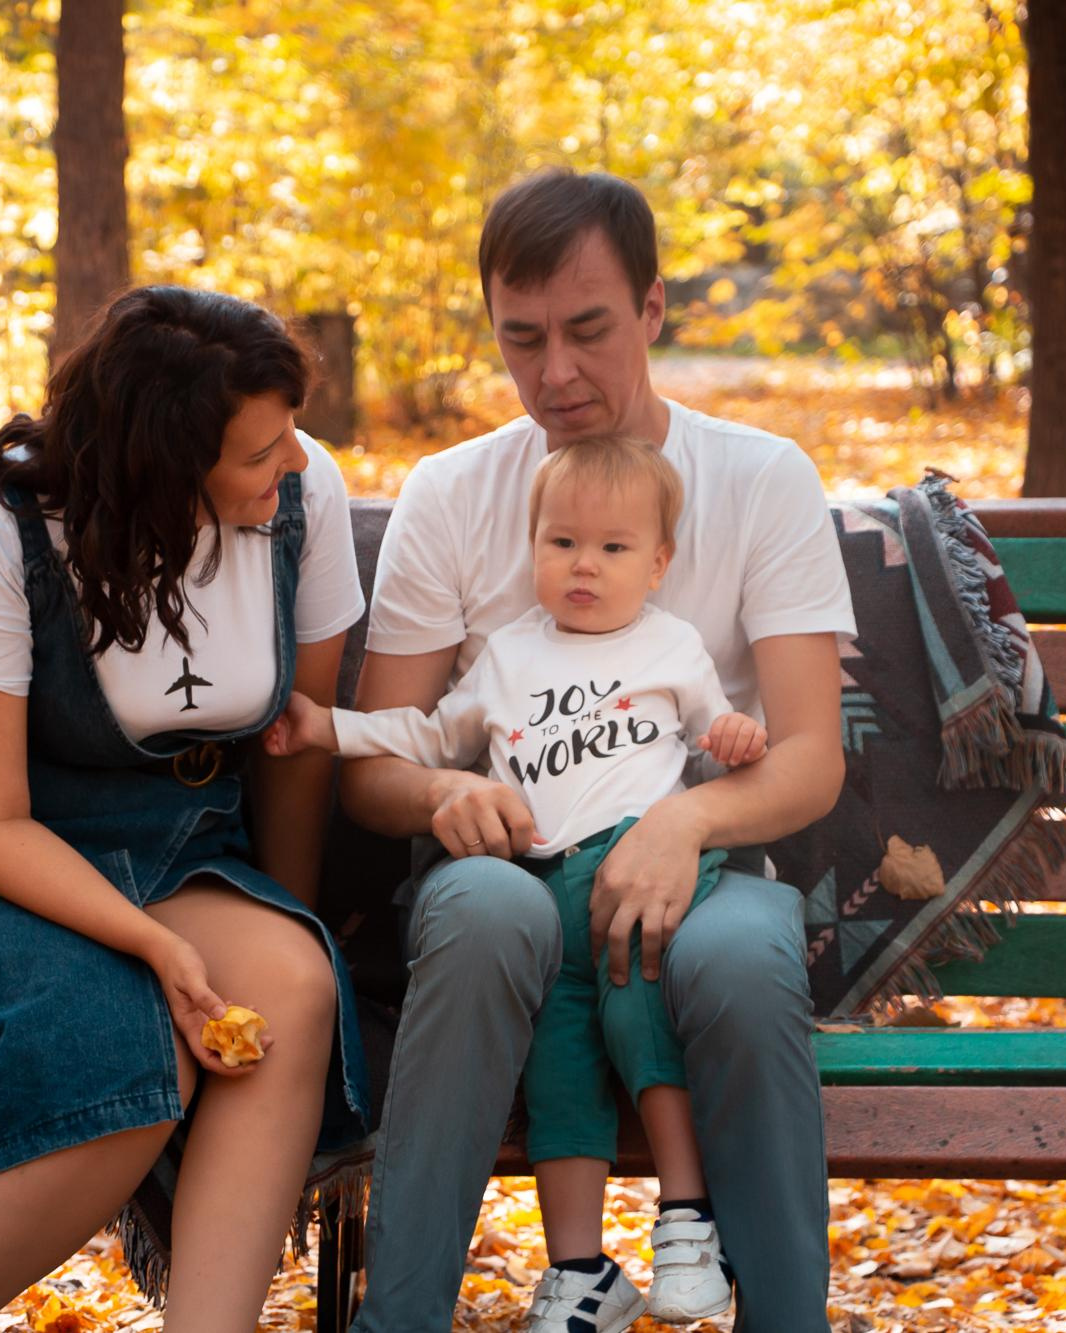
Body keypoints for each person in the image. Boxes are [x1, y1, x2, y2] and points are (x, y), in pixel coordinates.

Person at [339, 169, 854, 1333]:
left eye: (586, 330)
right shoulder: (451, 492)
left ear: (653, 310)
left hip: (706, 866)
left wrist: (683, 822)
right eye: (520, 340)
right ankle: (397, 1319)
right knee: (483, 916)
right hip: (503, 871)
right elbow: (373, 765)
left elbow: (810, 753)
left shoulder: (760, 477)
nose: (553, 374)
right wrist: (440, 790)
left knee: (729, 960)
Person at [0, 285, 371, 1333]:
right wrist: (155, 951)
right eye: (260, 453)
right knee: (129, 1044)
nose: (292, 464)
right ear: (166, 470)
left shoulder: (301, 499)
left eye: (288, 436)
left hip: (173, 851)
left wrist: (278, 910)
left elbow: (290, 752)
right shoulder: (3, 529)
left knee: (292, 988)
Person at [268, 437, 766, 1329]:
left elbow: (714, 727)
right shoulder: (506, 655)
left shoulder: (671, 645)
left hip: (636, 883)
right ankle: (581, 1271)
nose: (584, 564)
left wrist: (735, 739)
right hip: (539, 892)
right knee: (559, 1071)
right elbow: (426, 736)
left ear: (658, 563)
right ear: (531, 548)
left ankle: (687, 1222)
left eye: (613, 548)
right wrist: (325, 726)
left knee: (641, 1015)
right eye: (561, 542)